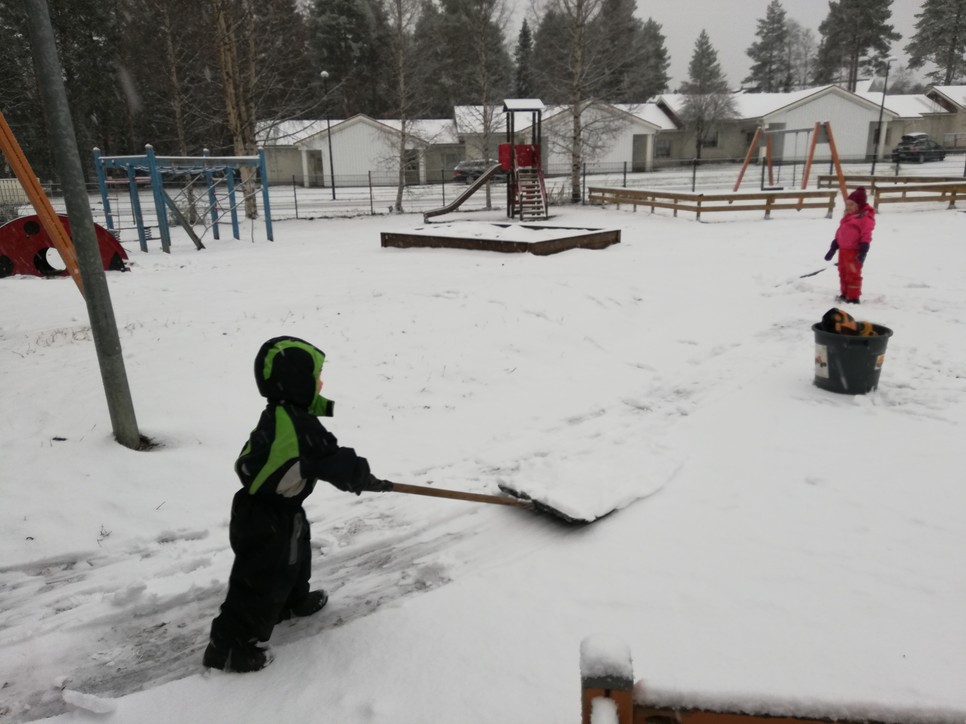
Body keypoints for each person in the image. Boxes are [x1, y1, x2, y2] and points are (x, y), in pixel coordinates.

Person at [203, 336, 391, 673]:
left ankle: (292, 601)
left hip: (280, 509)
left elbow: (312, 418)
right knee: (259, 580)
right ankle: (231, 648)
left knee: (295, 557)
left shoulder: (283, 410)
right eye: (315, 377)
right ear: (295, 381)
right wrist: (364, 479)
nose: (321, 383)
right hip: (266, 515)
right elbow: (335, 461)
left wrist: (323, 405)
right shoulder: (298, 427)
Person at [824, 187, 875, 304]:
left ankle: (853, 297)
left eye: (852, 205)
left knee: (853, 274)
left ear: (859, 205)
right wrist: (834, 245)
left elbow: (866, 235)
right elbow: (840, 232)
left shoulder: (864, 218)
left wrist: (863, 250)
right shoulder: (847, 217)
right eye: (847, 204)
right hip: (843, 250)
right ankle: (845, 293)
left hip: (854, 252)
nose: (848, 207)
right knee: (843, 271)